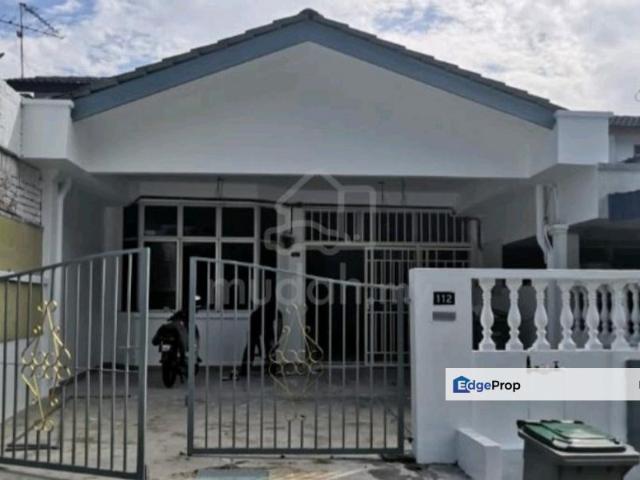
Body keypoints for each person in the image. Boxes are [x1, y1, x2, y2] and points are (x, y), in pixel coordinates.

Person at [238, 283, 283, 377]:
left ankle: (271, 369)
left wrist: (275, 341)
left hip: (260, 319)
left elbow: (278, 328)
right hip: (256, 320)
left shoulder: (274, 312)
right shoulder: (274, 313)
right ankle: (246, 370)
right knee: (253, 345)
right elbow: (279, 328)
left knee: (268, 345)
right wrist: (275, 341)